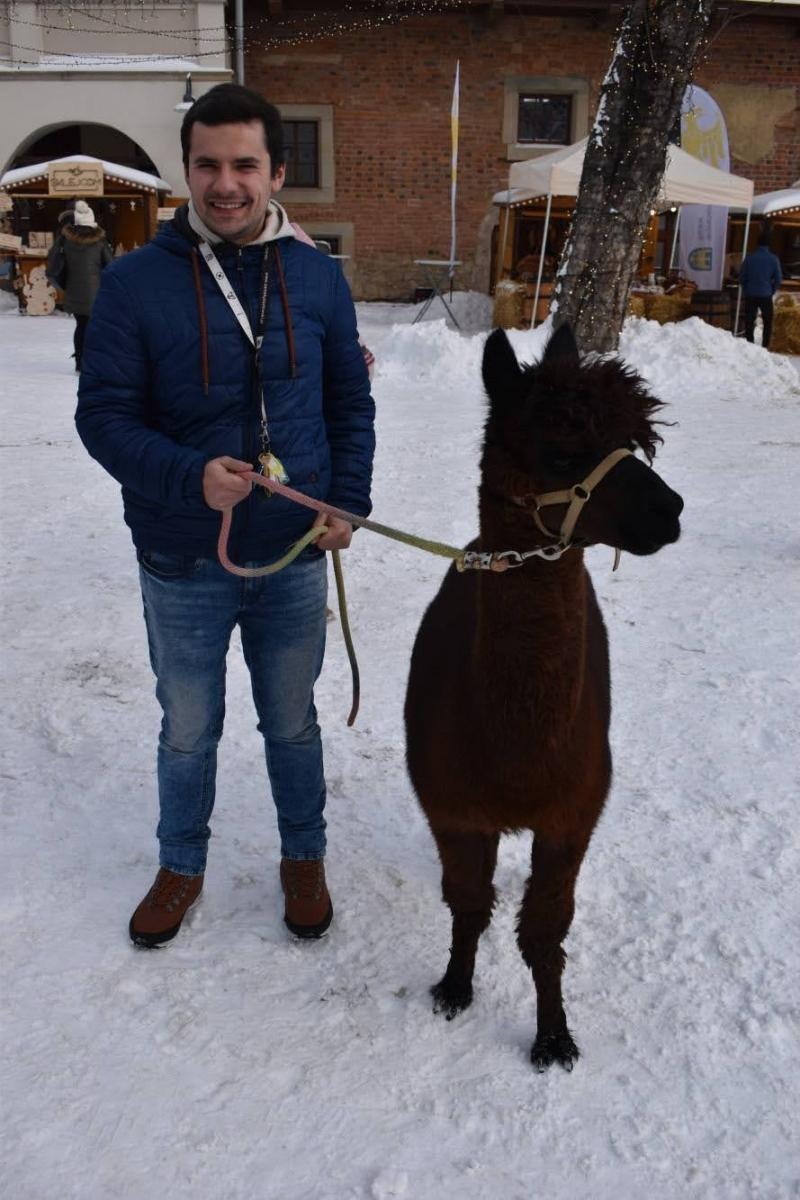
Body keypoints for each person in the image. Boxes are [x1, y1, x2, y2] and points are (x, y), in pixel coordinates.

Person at [75, 84, 375, 947]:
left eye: (245, 164)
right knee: (188, 726)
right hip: (183, 558)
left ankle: (304, 855)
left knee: (291, 720)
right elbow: (104, 417)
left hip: (292, 553)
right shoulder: (134, 283)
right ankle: (180, 864)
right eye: (208, 164)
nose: (226, 183)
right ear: (187, 169)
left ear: (278, 171)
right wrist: (186, 476)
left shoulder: (319, 278)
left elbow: (349, 403)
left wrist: (345, 502)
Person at [47, 200, 112, 370]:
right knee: (94, 327)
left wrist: (65, 285)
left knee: (81, 325)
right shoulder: (99, 241)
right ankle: (92, 361)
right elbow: (110, 266)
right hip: (96, 293)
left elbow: (55, 265)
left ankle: (79, 362)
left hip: (73, 292)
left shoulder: (65, 240)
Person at [739, 232, 783, 350]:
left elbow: (742, 277)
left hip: (751, 294)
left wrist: (746, 288)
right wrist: (771, 290)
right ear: (769, 245)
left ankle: (749, 343)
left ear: (757, 244)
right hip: (766, 294)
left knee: (749, 320)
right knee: (767, 321)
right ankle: (765, 345)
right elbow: (779, 278)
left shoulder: (749, 258)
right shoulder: (774, 259)